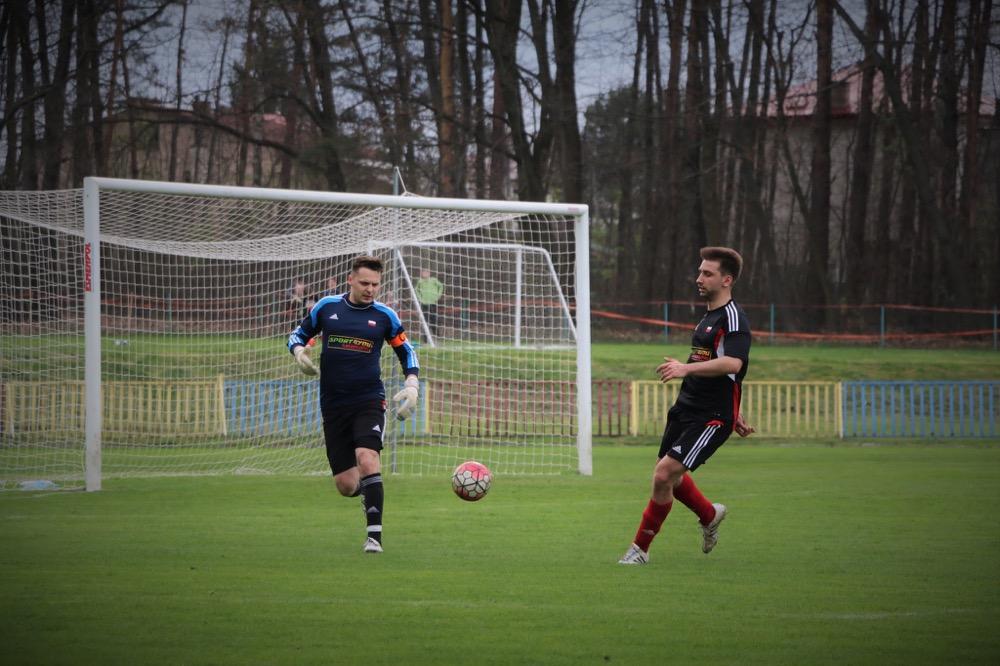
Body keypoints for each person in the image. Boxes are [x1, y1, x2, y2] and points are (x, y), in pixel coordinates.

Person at [619, 246, 756, 565]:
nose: (699, 278)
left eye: (707, 273)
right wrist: (737, 409)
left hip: (711, 416)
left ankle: (639, 550)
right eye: (700, 271)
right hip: (688, 407)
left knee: (664, 474)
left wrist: (684, 369)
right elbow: (717, 367)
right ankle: (710, 515)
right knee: (669, 476)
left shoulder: (734, 318)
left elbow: (734, 363)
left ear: (727, 279)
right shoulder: (708, 317)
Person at [287, 255, 420, 554]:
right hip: (333, 406)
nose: (370, 289)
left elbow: (406, 350)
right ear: (350, 280)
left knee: (368, 457)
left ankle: (374, 538)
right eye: (364, 283)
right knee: (347, 485)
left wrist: (412, 383)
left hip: (369, 400)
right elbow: (297, 334)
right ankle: (369, 490)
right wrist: (298, 352)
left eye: (375, 284)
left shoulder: (385, 316)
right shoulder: (327, 307)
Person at [414, 268, 444, 336]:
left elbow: (441, 286)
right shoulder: (420, 281)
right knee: (425, 320)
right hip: (424, 303)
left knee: (433, 318)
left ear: (429, 273)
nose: (425, 274)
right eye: (423, 273)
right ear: (421, 274)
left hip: (433, 303)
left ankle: (436, 334)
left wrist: (438, 296)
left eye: (426, 272)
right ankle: (425, 338)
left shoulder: (433, 280)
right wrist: (420, 298)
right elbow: (416, 290)